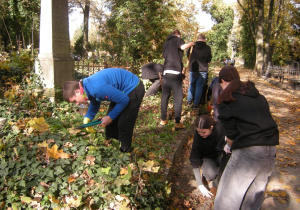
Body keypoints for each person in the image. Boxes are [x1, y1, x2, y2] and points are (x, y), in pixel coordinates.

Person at [214, 66, 279, 209]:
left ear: (223, 82)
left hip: (250, 151)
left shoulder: (228, 101)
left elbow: (230, 135)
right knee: (253, 198)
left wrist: (228, 146)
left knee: (227, 198)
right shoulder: (258, 96)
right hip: (271, 150)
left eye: (220, 84)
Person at [63, 68, 145, 153]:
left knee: (124, 123)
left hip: (133, 87)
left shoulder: (96, 88)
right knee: (110, 124)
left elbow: (124, 100)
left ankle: (124, 152)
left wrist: (110, 117)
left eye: (75, 101)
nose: (76, 103)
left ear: (77, 92)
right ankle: (112, 150)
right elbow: (95, 101)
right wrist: (88, 116)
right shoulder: (87, 86)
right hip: (121, 92)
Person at [159, 29, 195, 130]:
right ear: (178, 35)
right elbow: (183, 47)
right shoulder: (177, 39)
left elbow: (165, 56)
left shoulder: (166, 43)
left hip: (166, 72)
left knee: (165, 97)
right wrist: (191, 43)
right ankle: (177, 122)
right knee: (178, 98)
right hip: (175, 73)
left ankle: (163, 120)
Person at [189, 115, 226, 198]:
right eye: (199, 132)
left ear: (211, 127)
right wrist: (200, 184)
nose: (201, 134)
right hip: (207, 157)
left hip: (222, 154)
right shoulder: (198, 136)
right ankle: (206, 176)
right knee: (210, 173)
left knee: (227, 168)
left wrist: (216, 185)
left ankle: (216, 182)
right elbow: (194, 159)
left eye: (204, 132)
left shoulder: (221, 128)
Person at [186, 34, 212, 109]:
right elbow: (209, 59)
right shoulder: (207, 48)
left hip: (193, 69)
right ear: (204, 40)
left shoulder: (192, 46)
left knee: (192, 85)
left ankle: (189, 101)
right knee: (199, 87)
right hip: (203, 70)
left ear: (197, 39)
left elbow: (188, 56)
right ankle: (195, 105)